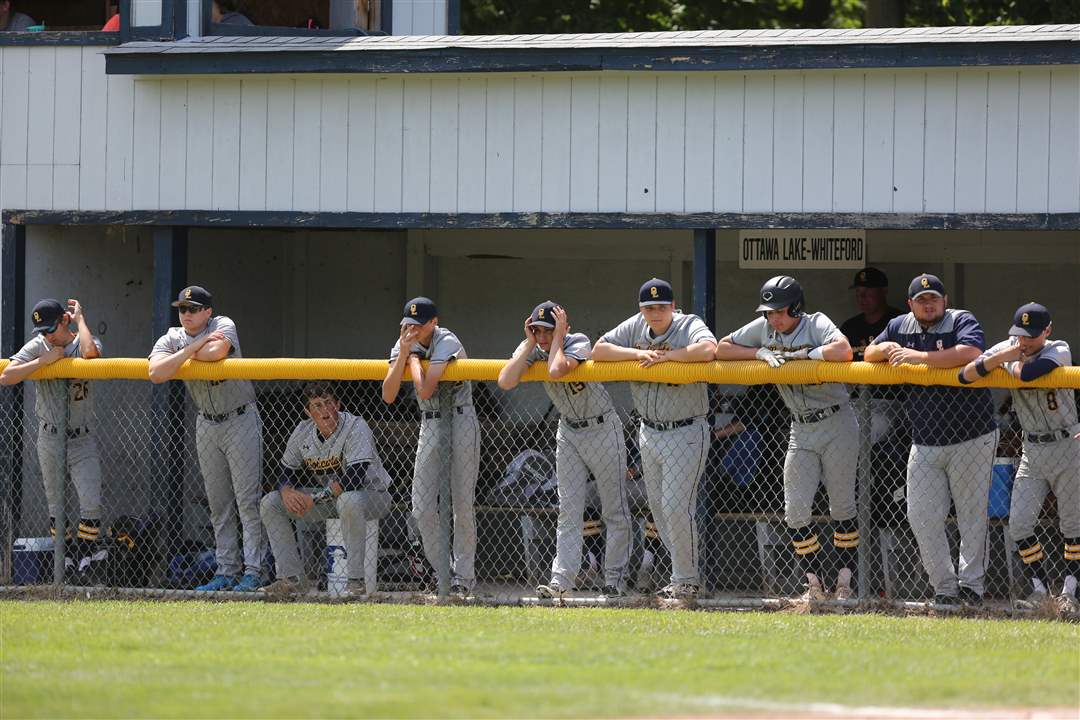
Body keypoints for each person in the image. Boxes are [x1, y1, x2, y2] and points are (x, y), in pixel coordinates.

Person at [715, 276, 859, 602]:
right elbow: (722, 347)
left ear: (795, 307)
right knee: (794, 509)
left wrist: (807, 356)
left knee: (841, 505)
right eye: (769, 312)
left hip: (836, 420)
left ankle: (844, 583)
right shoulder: (766, 329)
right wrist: (758, 351)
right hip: (801, 427)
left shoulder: (816, 323)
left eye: (779, 311)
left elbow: (844, 350)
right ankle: (814, 584)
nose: (773, 319)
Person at [864, 273, 997, 607]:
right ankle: (944, 587)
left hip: (972, 434)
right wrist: (887, 347)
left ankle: (972, 587)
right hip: (924, 439)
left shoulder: (960, 319)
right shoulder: (899, 325)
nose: (929, 304)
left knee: (971, 515)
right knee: (920, 515)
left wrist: (918, 358)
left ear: (945, 299)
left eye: (934, 299)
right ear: (911, 304)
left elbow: (970, 352)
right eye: (921, 301)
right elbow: (868, 355)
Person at [497, 301, 632, 599]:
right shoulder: (533, 346)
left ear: (563, 328)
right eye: (538, 330)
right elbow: (505, 380)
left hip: (602, 428)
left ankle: (615, 580)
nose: (543, 337)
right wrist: (530, 342)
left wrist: (558, 336)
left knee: (614, 509)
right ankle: (562, 581)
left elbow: (557, 369)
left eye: (549, 330)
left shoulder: (578, 341)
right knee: (568, 510)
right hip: (568, 431)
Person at [593, 279, 717, 600]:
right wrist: (638, 352)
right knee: (660, 512)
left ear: (673, 307)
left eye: (662, 307)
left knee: (676, 507)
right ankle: (681, 578)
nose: (656, 313)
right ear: (641, 309)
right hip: (649, 431)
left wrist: (665, 357)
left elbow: (708, 349)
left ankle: (687, 580)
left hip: (686, 429)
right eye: (649, 308)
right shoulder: (637, 325)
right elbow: (600, 349)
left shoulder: (688, 324)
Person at [959, 303, 1079, 614]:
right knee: (1020, 525)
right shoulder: (1010, 348)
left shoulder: (1059, 348)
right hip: (1032, 450)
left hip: (1068, 444)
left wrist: (1006, 366)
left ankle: (1069, 593)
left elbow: (1030, 373)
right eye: (1020, 335)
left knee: (1072, 525)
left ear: (1047, 331)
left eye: (1032, 336)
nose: (1024, 342)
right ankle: (1040, 590)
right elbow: (965, 375)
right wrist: (1001, 357)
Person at [148, 286, 265, 593]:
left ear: (207, 311)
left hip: (239, 417)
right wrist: (192, 347)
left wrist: (184, 355)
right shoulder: (173, 336)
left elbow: (216, 353)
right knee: (218, 504)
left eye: (193, 308)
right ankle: (226, 571)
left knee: (247, 502)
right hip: (207, 423)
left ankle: (254, 571)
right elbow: (156, 373)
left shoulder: (223, 324)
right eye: (182, 309)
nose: (186, 314)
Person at [381, 297, 479, 600]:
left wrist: (412, 361)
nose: (411, 330)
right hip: (430, 421)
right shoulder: (403, 342)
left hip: (461, 419)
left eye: (418, 325)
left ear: (432, 323)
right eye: (407, 324)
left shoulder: (445, 339)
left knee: (462, 504)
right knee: (421, 507)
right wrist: (403, 356)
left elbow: (425, 388)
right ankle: (443, 574)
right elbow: (388, 394)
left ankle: (464, 579)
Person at [1, 299, 105, 582]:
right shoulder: (40, 346)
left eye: (50, 328)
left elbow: (90, 354)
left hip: (81, 438)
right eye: (42, 330)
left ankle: (83, 558)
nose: (46, 335)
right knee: (56, 506)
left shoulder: (84, 338)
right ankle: (68, 561)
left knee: (91, 501)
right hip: (49, 436)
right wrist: (41, 361)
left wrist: (81, 319)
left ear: (64, 320)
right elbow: (7, 376)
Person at [259, 383, 393, 599]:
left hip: (372, 495)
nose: (324, 410)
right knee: (270, 503)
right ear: (308, 412)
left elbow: (354, 478)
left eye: (329, 403)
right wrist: (286, 491)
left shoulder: (356, 426)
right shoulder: (303, 431)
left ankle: (355, 582)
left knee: (348, 500)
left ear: (338, 405)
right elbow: (284, 471)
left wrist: (314, 498)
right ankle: (291, 580)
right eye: (317, 405)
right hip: (330, 499)